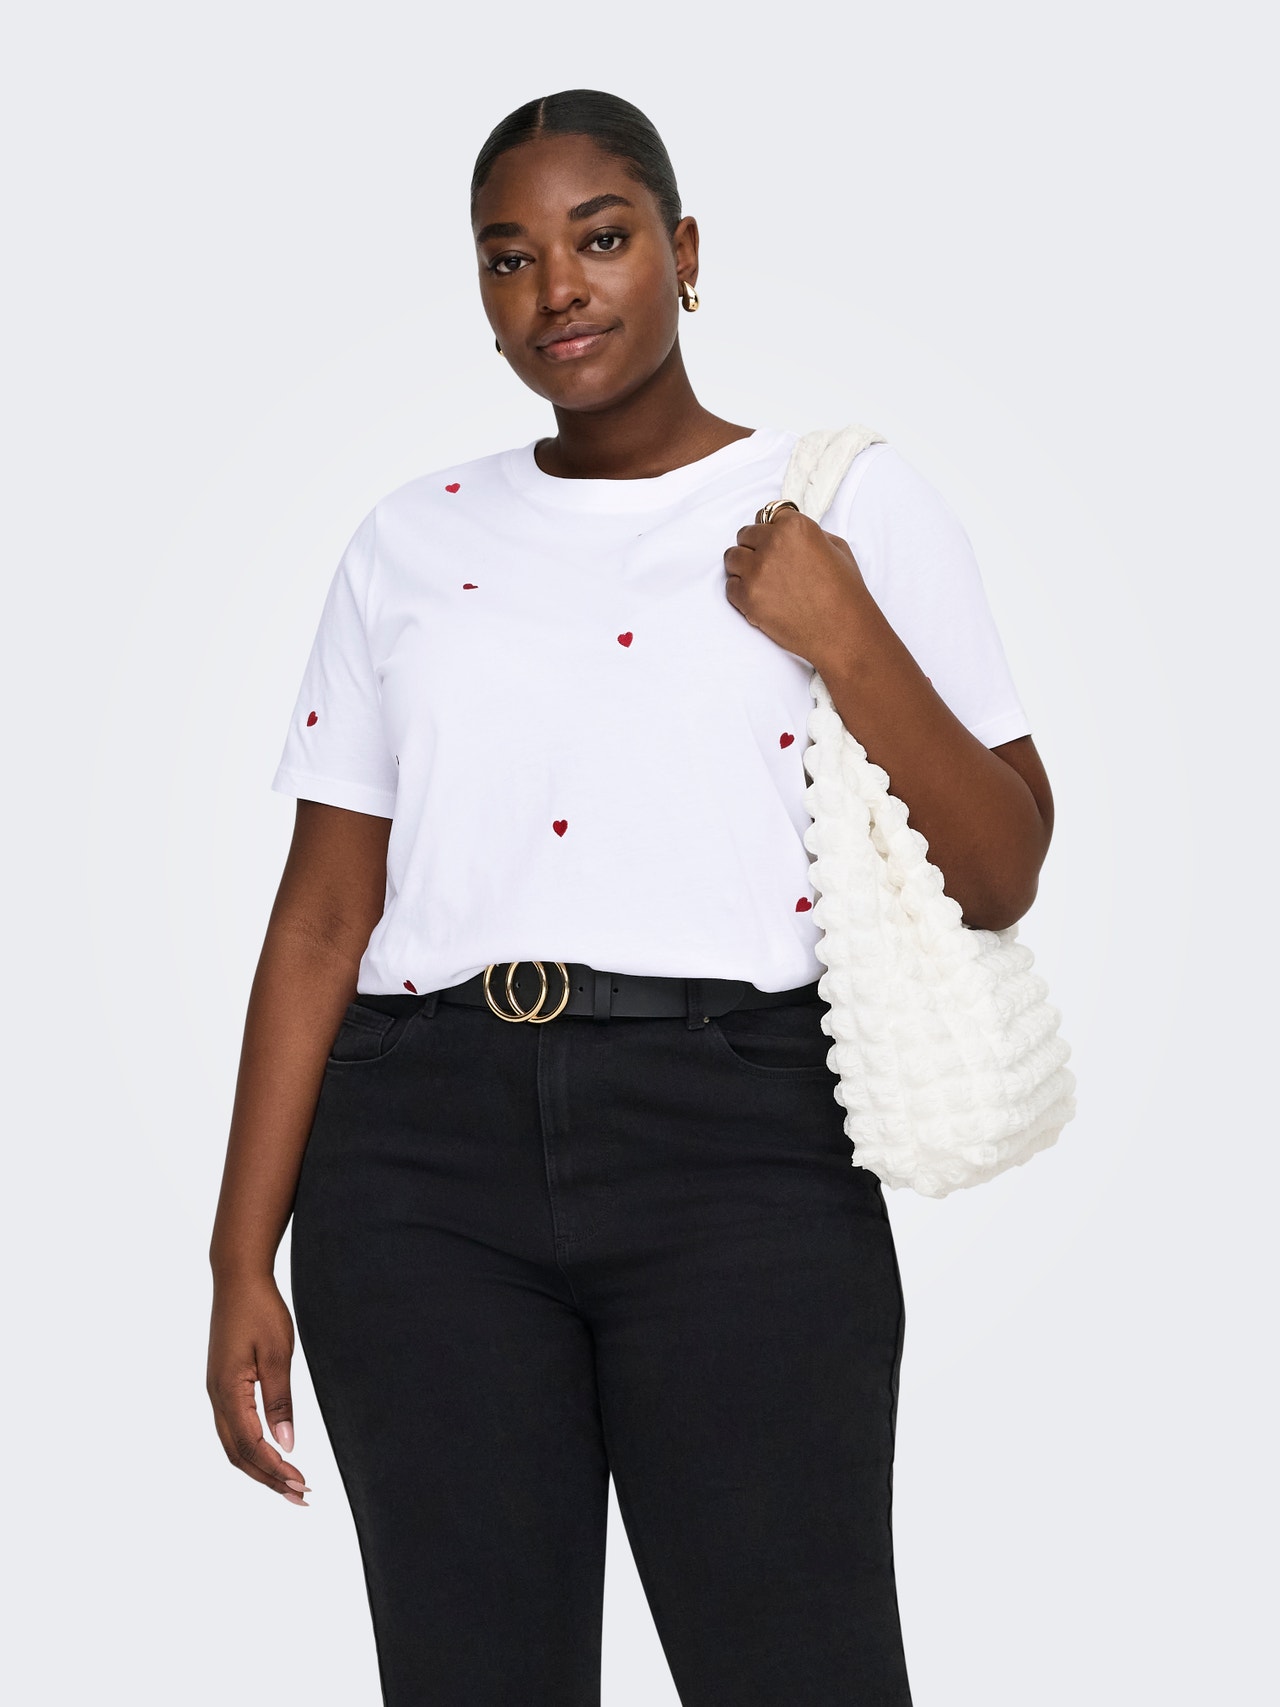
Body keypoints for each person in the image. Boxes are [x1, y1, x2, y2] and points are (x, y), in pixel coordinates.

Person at [206, 87, 1054, 1707]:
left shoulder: (845, 504)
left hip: (740, 1145)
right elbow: (320, 916)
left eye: (600, 239)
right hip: (417, 1164)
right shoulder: (408, 539)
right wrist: (242, 1255)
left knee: (799, 1671)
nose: (558, 289)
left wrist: (845, 631)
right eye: (509, 258)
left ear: (683, 250)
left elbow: (1004, 868)